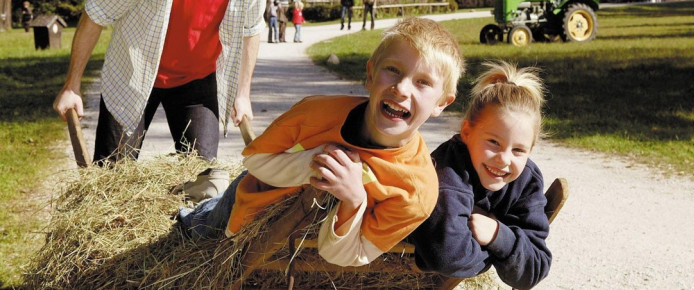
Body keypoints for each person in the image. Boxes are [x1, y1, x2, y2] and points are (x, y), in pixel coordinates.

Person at [178, 17, 465, 267]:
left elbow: (349, 254)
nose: (401, 88)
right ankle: (201, 205)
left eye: (423, 82)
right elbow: (254, 160)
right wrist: (314, 163)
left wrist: (353, 198)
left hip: (312, 241)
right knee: (198, 229)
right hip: (262, 196)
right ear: (370, 74)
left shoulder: (417, 191)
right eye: (393, 70)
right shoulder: (314, 111)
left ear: (442, 103)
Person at [52, 0, 266, 166]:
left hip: (197, 82)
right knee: (112, 176)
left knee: (203, 181)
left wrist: (243, 94)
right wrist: (72, 86)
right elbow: (96, 13)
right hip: (132, 77)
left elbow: (251, 29)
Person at [409, 61, 551, 289]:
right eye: (494, 142)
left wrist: (497, 234)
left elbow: (535, 268)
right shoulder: (448, 169)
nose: (504, 159)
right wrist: (498, 257)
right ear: (467, 132)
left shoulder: (527, 181)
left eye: (518, 150)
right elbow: (447, 255)